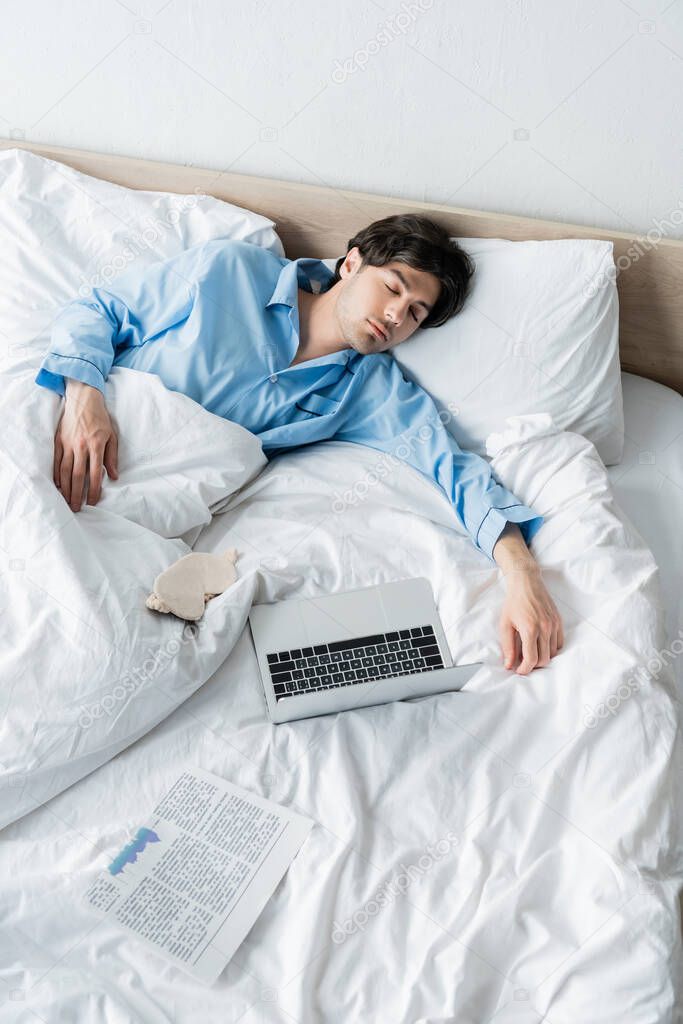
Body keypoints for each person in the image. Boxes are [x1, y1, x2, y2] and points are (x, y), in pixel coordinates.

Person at [35, 213, 564, 675]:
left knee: (96, 638)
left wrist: (521, 572)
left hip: (137, 506)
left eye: (418, 313)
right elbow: (97, 310)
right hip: (66, 430)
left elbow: (452, 468)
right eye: (394, 287)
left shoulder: (368, 390)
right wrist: (84, 396)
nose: (397, 316)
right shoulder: (230, 271)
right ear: (352, 264)